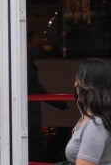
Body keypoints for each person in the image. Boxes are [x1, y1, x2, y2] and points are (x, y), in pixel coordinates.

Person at [65, 58, 111, 165]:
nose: (75, 85)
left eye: (78, 81)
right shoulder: (94, 122)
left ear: (89, 87)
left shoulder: (96, 126)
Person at [27, 31, 69, 162]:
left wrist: (59, 103)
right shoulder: (26, 68)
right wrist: (59, 103)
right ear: (27, 45)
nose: (40, 49)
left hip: (30, 126)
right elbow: (39, 91)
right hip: (30, 127)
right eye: (37, 45)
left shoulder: (27, 67)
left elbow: (39, 91)